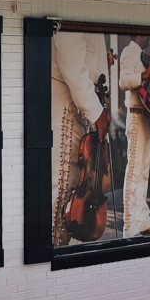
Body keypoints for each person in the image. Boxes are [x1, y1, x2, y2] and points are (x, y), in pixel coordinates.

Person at [51, 31, 111, 246]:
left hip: (74, 106)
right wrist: (96, 111)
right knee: (61, 192)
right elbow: (71, 62)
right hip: (65, 107)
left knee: (68, 190)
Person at [118, 34, 150, 237]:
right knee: (134, 171)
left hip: (145, 116)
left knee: (143, 171)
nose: (149, 36)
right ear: (140, 35)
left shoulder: (142, 56)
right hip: (134, 115)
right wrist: (145, 74)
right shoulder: (128, 52)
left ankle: (143, 220)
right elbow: (123, 81)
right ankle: (129, 225)